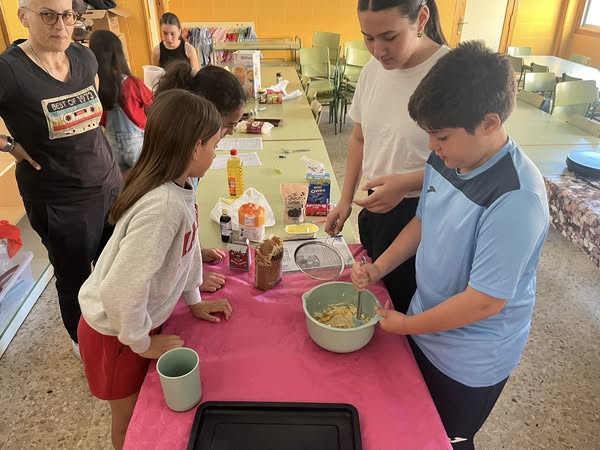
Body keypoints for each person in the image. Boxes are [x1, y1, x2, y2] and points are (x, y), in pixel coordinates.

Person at [351, 41, 550, 449]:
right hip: (426, 321)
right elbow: (424, 221)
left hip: (468, 359)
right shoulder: (449, 157)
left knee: (446, 437)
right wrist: (379, 268)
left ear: (489, 123)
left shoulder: (517, 199)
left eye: (440, 136)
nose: (432, 147)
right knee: (410, 426)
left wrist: (406, 325)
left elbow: (483, 302)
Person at [78, 90, 233, 450]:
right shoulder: (162, 208)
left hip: (133, 323)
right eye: (214, 145)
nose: (216, 153)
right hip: (115, 333)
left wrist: (194, 299)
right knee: (129, 423)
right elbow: (120, 290)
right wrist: (142, 343)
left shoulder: (181, 186)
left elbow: (186, 250)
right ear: (194, 148)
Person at [0, 0, 121, 356]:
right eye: (48, 14)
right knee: (75, 279)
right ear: (23, 16)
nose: (61, 25)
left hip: (108, 184)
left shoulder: (84, 57)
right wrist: (9, 144)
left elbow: (92, 113)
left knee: (116, 265)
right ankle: (84, 345)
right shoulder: (9, 70)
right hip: (60, 200)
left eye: (67, 15)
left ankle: (117, 328)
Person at [325, 0, 449, 313]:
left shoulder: (449, 74)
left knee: (408, 308)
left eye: (390, 37)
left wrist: (405, 183)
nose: (378, 51)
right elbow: (360, 138)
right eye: (368, 38)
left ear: (421, 18)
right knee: (376, 297)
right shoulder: (372, 71)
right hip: (377, 206)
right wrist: (345, 200)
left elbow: (467, 166)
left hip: (423, 215)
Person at [155, 62, 247, 293]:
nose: (230, 132)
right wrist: (191, 280)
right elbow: (159, 254)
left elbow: (187, 225)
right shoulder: (166, 191)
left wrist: (195, 251)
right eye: (228, 125)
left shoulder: (187, 167)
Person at [90, 29, 153, 172]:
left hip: (111, 145)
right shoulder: (131, 84)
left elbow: (100, 119)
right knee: (144, 178)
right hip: (136, 144)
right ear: (118, 55)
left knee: (122, 182)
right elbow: (152, 103)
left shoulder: (96, 86)